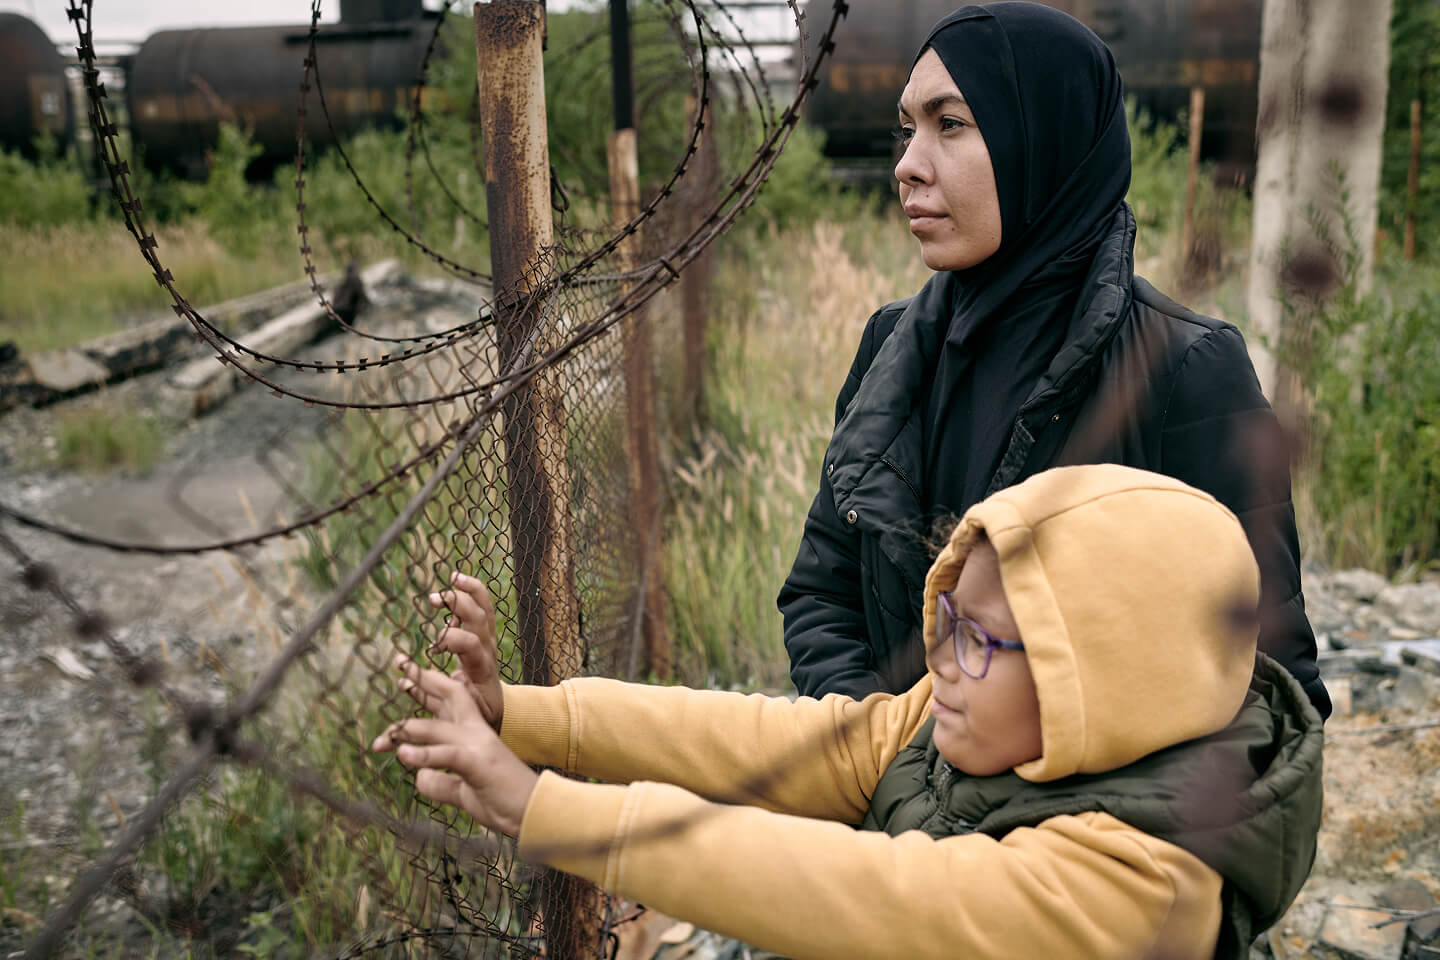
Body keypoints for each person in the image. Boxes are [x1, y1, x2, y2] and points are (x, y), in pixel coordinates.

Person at [372, 464, 1323, 960]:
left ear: (1103, 675)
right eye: (946, 618)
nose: (942, 659)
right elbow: (791, 742)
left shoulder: (1145, 885)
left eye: (982, 639)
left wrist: (541, 808)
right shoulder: (992, 723)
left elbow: (873, 894)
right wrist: (529, 717)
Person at [778, 2, 1331, 717]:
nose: (907, 166)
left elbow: (1271, 684)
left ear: (1045, 142)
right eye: (906, 128)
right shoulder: (892, 348)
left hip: (1079, 826)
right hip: (891, 815)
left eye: (950, 125)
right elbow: (822, 593)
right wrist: (885, 757)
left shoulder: (1185, 369)